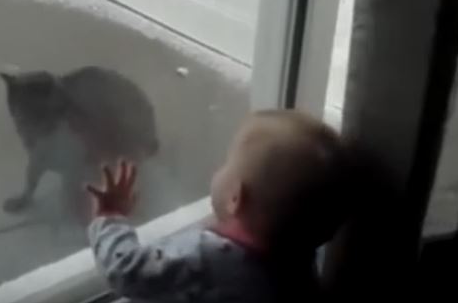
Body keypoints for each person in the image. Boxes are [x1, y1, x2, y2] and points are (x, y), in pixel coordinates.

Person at [85, 109, 350, 302]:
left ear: (235, 198)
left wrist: (110, 218)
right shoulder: (298, 267)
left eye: (226, 163)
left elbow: (125, 271)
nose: (219, 169)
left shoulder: (202, 257)